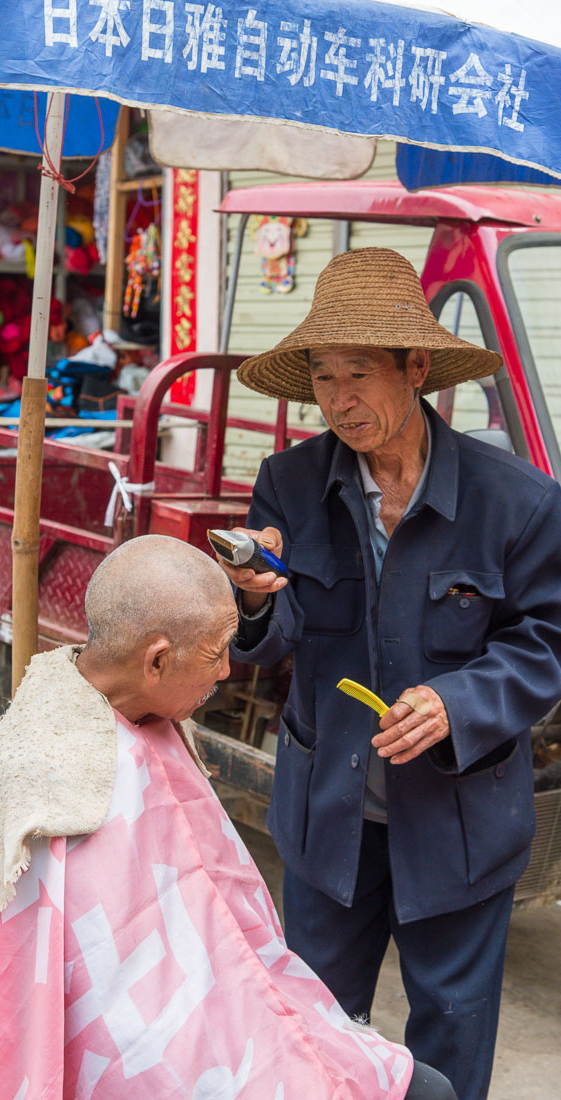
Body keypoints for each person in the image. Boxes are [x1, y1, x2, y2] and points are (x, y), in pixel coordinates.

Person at [215, 247, 561, 1100]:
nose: (339, 399)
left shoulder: (516, 501)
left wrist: (456, 701)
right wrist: (254, 601)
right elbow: (272, 636)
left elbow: (547, 643)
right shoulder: (289, 484)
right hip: (328, 817)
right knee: (316, 1032)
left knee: (449, 1033)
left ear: (417, 368)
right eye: (324, 378)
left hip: (460, 823)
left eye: (359, 374)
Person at [0, 534, 456, 1100]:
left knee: (425, 1088)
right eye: (216, 653)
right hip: (153, 1056)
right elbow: (43, 1007)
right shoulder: (40, 789)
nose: (228, 671)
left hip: (232, 1010)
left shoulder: (150, 716)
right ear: (156, 660)